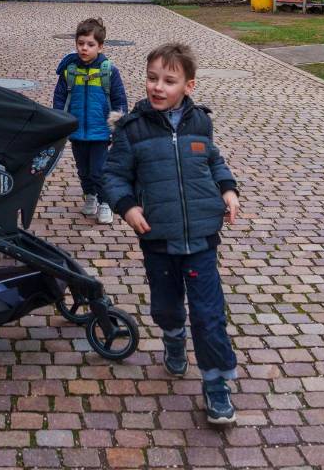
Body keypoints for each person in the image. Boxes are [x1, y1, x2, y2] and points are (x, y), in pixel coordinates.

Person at [102, 42, 242, 425]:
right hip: (158, 239)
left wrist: (228, 189)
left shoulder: (201, 122)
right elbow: (113, 175)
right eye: (151, 78)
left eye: (168, 80)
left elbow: (213, 159)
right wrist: (127, 207)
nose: (157, 87)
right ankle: (173, 336)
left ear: (189, 86)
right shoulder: (132, 129)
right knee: (166, 306)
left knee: (209, 316)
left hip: (200, 237)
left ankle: (216, 386)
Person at [51, 17, 128, 225]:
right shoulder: (69, 70)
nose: (84, 48)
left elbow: (119, 100)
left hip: (101, 131)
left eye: (90, 44)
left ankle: (105, 203)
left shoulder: (108, 71)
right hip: (77, 131)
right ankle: (90, 196)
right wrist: (59, 120)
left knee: (99, 170)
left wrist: (118, 128)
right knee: (83, 170)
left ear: (100, 46)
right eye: (81, 43)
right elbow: (59, 97)